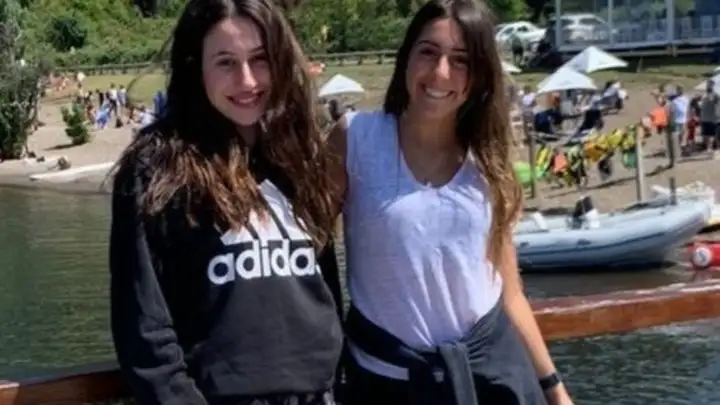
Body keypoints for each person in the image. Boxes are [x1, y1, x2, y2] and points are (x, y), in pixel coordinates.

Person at [327, 1, 574, 404]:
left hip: (492, 380)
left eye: (461, 60)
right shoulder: (356, 139)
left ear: (479, 76)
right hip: (385, 385)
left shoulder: (489, 164)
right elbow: (302, 248)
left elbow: (510, 294)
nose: (441, 72)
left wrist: (555, 389)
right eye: (428, 52)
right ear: (406, 57)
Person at [108, 0, 343, 404]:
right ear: (196, 66)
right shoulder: (156, 168)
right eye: (226, 63)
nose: (246, 80)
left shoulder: (298, 154)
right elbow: (143, 328)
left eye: (260, 59)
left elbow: (324, 289)